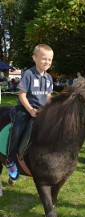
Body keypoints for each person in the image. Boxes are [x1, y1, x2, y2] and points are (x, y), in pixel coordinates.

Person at [6, 44, 54, 181]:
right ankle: (10, 161)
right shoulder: (28, 74)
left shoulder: (49, 78)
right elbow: (22, 95)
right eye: (44, 58)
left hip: (42, 112)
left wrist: (50, 110)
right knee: (17, 131)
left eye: (50, 60)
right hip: (25, 109)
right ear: (35, 58)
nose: (47, 62)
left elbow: (48, 97)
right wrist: (31, 110)